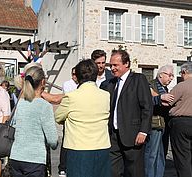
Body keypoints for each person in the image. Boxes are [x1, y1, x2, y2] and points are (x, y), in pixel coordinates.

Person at [100, 49, 153, 177]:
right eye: (111, 65)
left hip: (133, 135)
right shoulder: (109, 84)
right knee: (113, 172)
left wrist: (143, 131)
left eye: (115, 65)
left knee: (134, 172)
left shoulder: (138, 80)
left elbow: (147, 106)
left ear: (126, 64)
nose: (112, 68)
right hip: (113, 136)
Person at [55, 59, 111, 177]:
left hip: (78, 149)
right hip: (102, 147)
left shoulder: (71, 97)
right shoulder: (105, 96)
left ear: (78, 77)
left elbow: (58, 117)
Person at [9, 63, 58, 177]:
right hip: (34, 159)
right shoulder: (44, 106)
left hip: (16, 156)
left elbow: (13, 125)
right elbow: (52, 140)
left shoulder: (20, 103)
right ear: (43, 82)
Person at [144, 65, 174, 177]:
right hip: (154, 124)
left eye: (172, 76)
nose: (171, 78)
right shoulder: (151, 85)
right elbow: (146, 101)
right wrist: (160, 98)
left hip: (163, 125)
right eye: (169, 75)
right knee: (151, 155)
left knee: (161, 155)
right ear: (161, 74)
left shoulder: (164, 88)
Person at [168, 62, 192, 177]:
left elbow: (167, 102)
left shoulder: (181, 86)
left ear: (185, 72)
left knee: (182, 158)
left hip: (181, 123)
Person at [58, 67, 78, 177]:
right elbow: (69, 98)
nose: (74, 76)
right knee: (66, 143)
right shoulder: (68, 84)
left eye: (76, 74)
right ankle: (63, 167)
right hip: (69, 117)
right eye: (73, 74)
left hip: (78, 117)